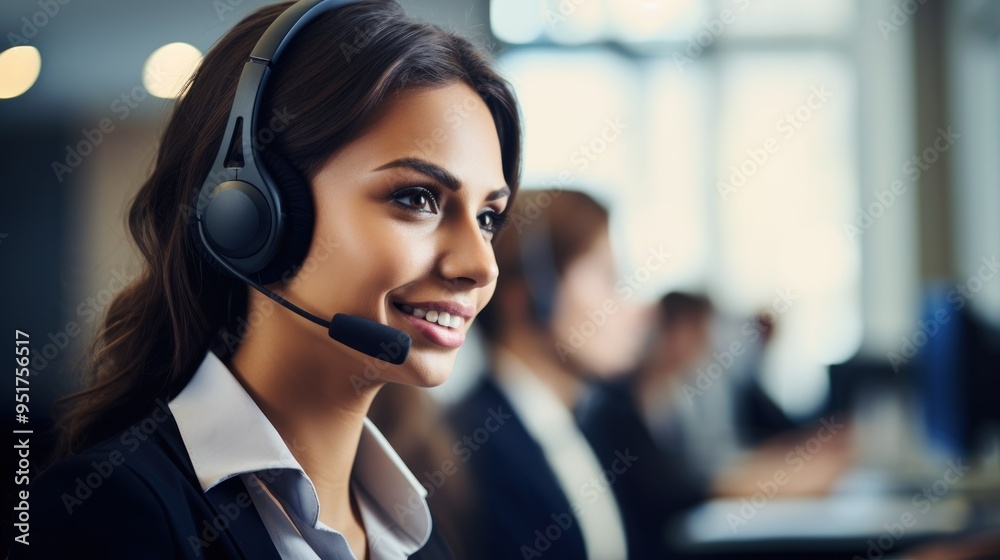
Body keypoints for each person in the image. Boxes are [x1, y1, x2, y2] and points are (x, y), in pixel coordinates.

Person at [12, 1, 521, 558]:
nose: (481, 266)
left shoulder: (418, 532)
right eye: (417, 198)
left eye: (488, 217)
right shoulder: (109, 516)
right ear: (252, 213)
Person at [448, 189, 650, 560]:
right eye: (609, 278)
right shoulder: (471, 447)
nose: (635, 308)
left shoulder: (584, 427)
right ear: (534, 293)